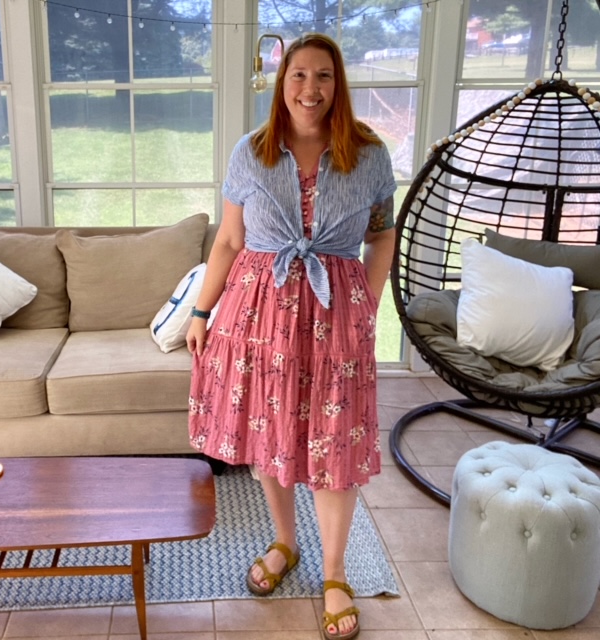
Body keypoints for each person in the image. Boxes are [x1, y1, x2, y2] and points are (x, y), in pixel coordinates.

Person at [186, 32, 396, 640]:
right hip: (258, 318)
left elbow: (381, 234)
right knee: (269, 433)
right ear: (282, 83)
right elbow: (230, 241)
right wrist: (201, 312)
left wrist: (368, 302)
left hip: (336, 318)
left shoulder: (369, 153)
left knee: (335, 445)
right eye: (298, 75)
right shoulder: (251, 151)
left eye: (323, 75)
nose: (310, 88)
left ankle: (335, 573)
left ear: (338, 83)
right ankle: (285, 541)